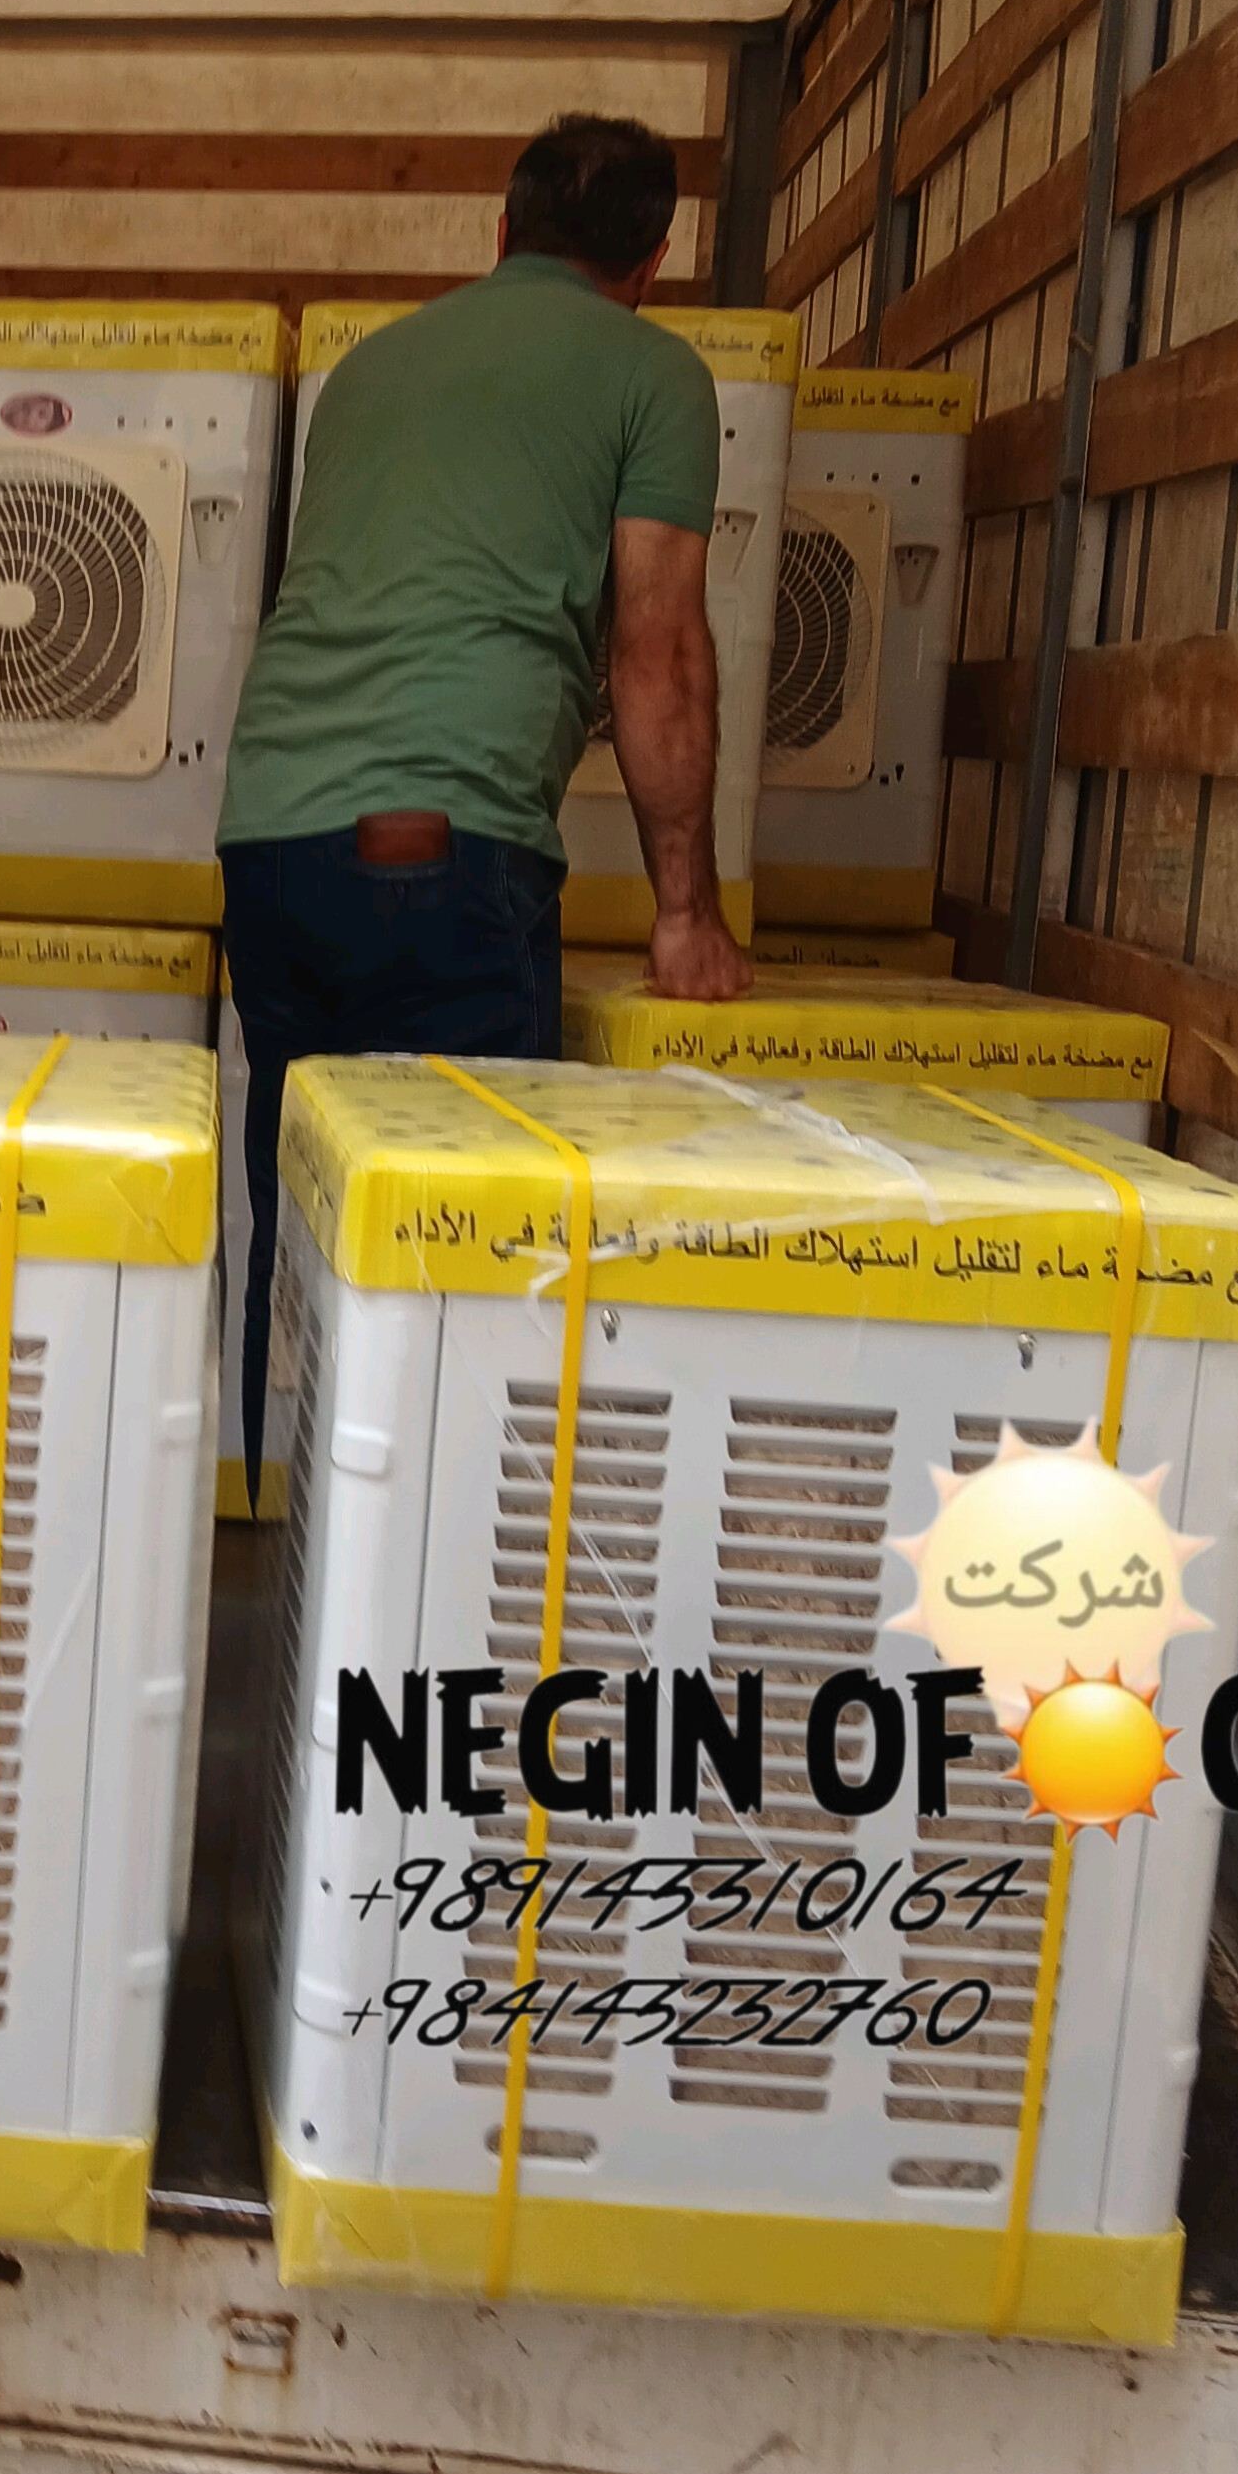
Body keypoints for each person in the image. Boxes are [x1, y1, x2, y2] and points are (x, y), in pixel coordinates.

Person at [217, 114, 752, 1480]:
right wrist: (686, 913)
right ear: (653, 263)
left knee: (307, 1205)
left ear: (500, 234)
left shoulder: (369, 368)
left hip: (270, 833)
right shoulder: (654, 375)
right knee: (469, 1250)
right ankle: (433, 1563)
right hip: (442, 857)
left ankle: (282, 1520)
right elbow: (658, 653)